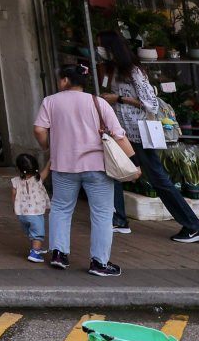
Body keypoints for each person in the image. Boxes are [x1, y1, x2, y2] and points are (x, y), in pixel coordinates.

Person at [101, 31, 199, 244]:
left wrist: (119, 98)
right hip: (123, 132)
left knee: (158, 179)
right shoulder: (115, 70)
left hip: (140, 133)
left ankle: (193, 225)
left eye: (102, 46)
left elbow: (151, 103)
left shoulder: (134, 71)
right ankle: (119, 219)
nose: (100, 51)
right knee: (113, 171)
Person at [36, 62, 140, 276]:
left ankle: (59, 254)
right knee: (102, 214)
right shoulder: (98, 102)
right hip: (97, 168)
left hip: (63, 166)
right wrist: (134, 164)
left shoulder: (50, 102)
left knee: (61, 209)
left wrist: (47, 145)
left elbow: (39, 129)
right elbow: (118, 135)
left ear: (65, 80)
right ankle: (99, 263)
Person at [12, 153, 49, 263]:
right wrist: (51, 160)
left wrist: (15, 208)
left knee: (32, 232)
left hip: (22, 214)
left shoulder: (15, 181)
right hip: (35, 214)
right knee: (38, 234)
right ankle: (35, 253)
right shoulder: (38, 179)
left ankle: (36, 248)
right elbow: (47, 169)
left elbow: (13, 195)